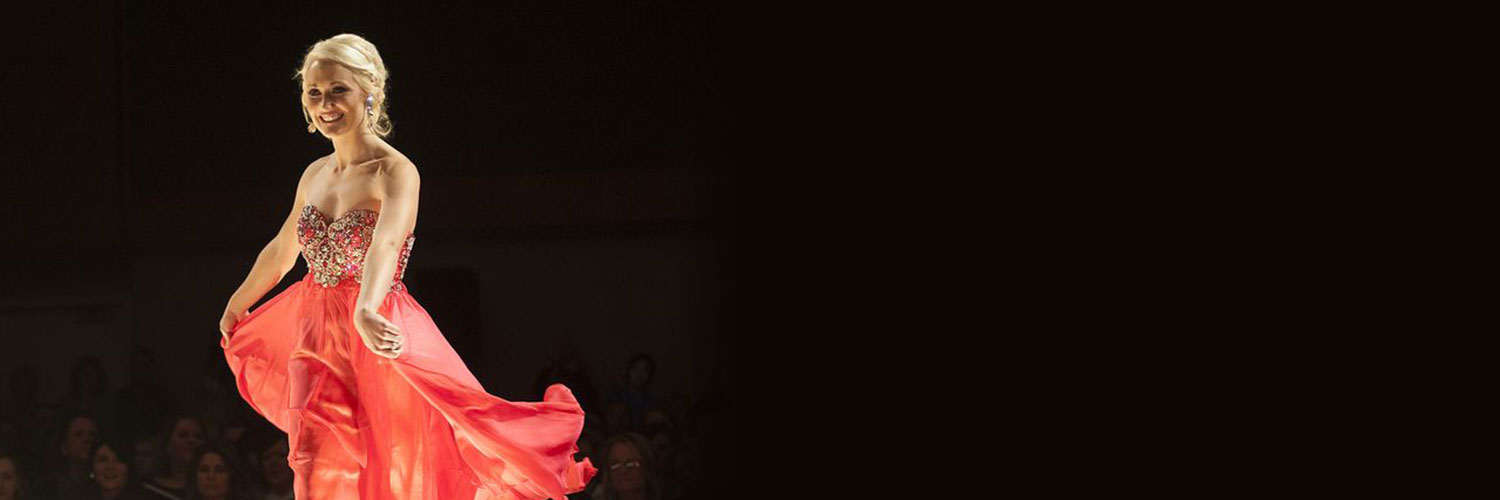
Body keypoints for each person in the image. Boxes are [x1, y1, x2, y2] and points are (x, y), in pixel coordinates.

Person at [217, 33, 596, 500]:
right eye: (314, 93)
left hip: (377, 330)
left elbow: (386, 243)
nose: (325, 103)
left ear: (369, 91)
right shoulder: (314, 174)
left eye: (338, 90)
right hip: (315, 335)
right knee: (315, 466)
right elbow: (282, 248)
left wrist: (366, 309)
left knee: (392, 463)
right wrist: (238, 303)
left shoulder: (394, 170)